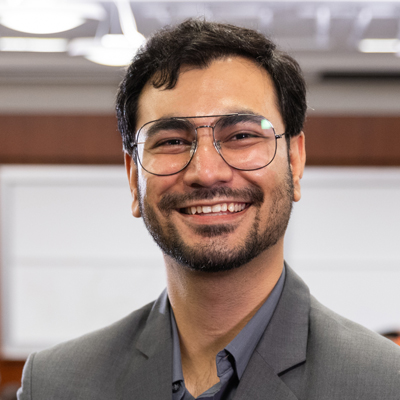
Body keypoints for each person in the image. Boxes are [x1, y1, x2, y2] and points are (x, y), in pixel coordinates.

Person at [18, 19, 400, 400]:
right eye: (170, 141)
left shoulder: (384, 384)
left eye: (242, 136)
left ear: (295, 160)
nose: (206, 172)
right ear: (134, 178)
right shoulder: (54, 384)